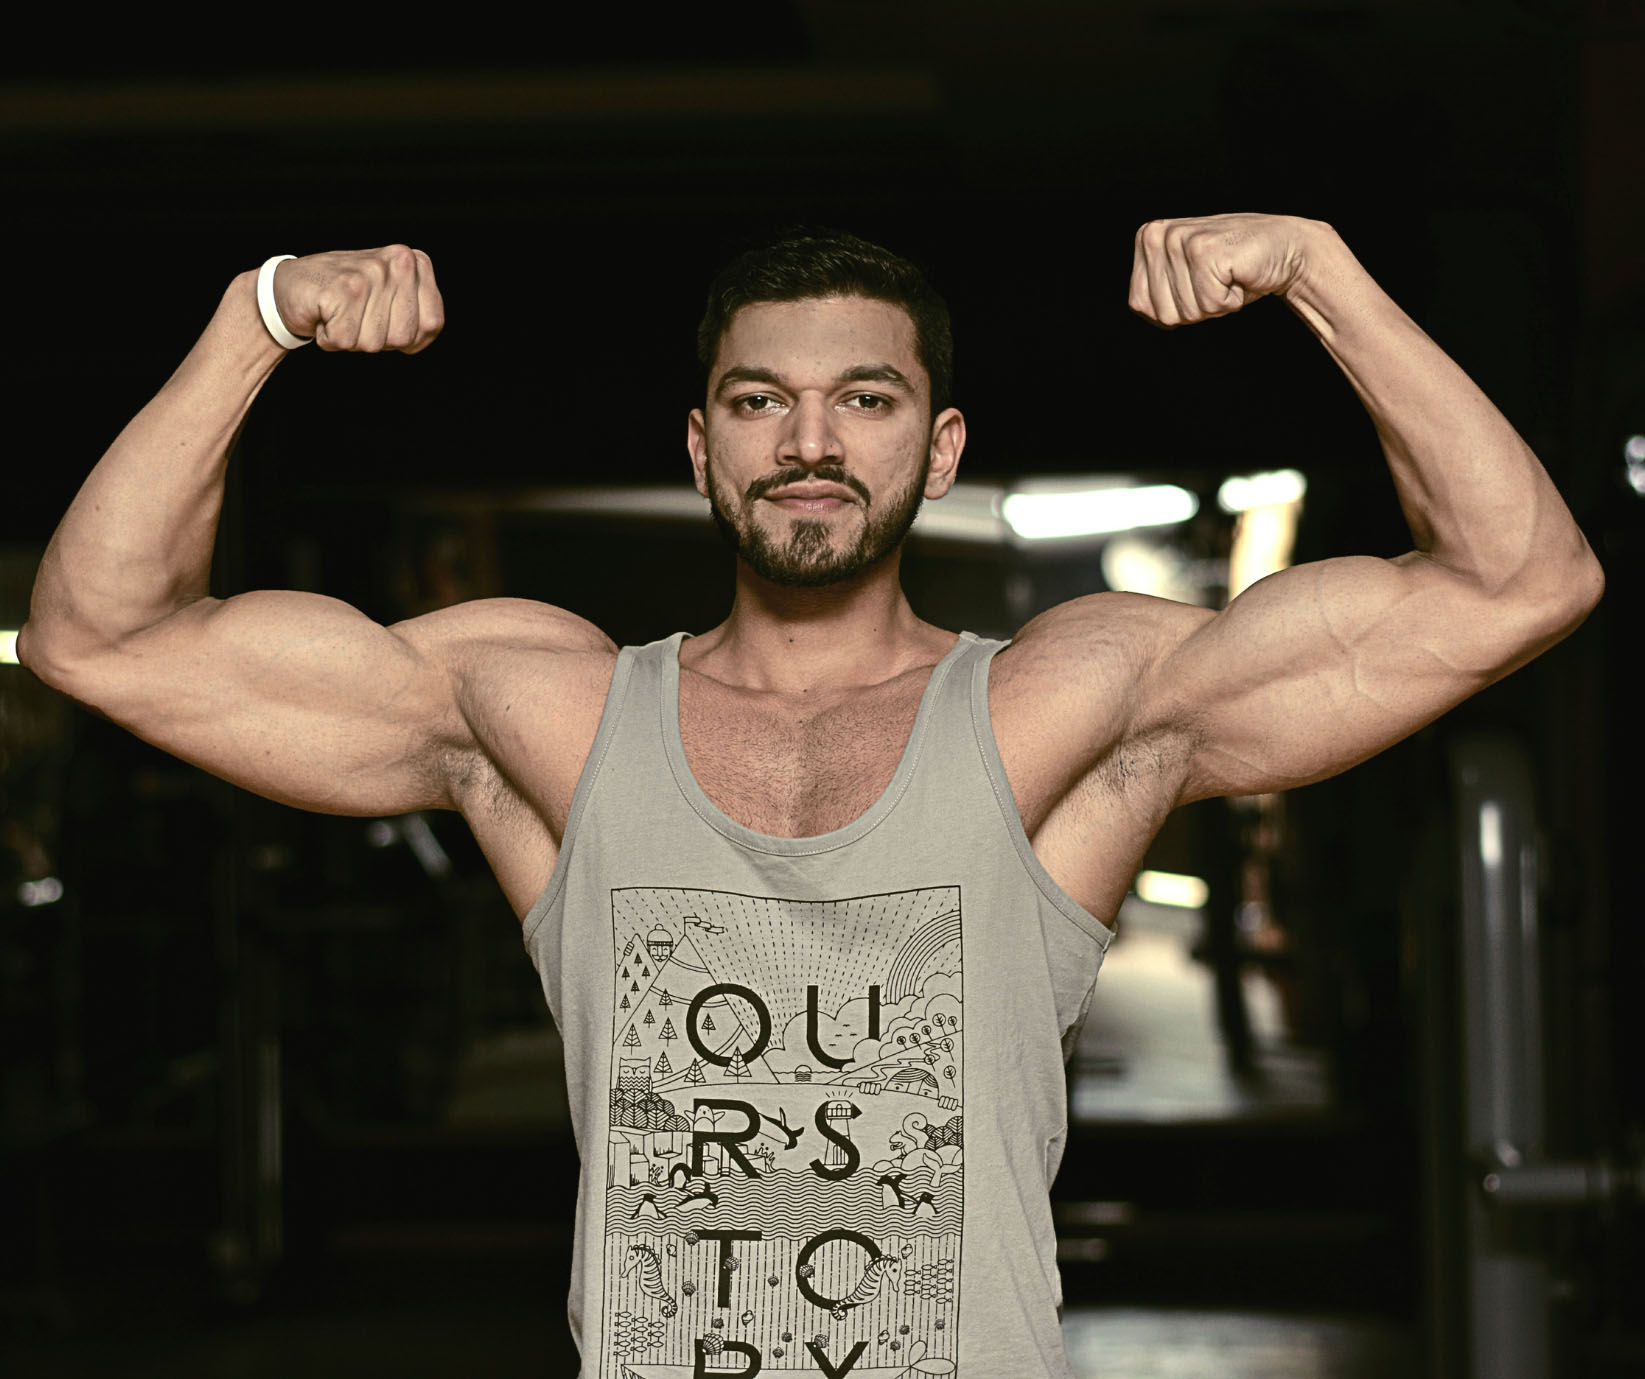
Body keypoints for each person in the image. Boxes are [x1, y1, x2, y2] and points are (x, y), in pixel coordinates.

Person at [18, 216, 1602, 1378]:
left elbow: (1518, 584)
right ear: (700, 450)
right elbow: (103, 642)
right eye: (761, 402)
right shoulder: (539, 709)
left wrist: (1323, 274)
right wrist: (258, 316)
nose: (810, 442)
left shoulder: (1066, 703)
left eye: (866, 398)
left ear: (940, 442)